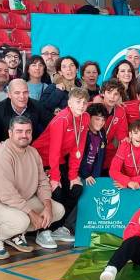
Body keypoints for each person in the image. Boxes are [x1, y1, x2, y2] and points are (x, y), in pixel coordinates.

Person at [0, 116, 66, 259]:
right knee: (22, 221)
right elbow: (7, 195)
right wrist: (32, 214)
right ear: (10, 133)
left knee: (58, 210)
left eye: (28, 131)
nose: (24, 135)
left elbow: (43, 182)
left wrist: (47, 205)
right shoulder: (2, 155)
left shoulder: (33, 152)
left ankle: (14, 233)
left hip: (21, 201)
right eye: (19, 131)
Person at [32, 88, 91, 246]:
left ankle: (60, 229)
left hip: (60, 160)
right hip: (41, 159)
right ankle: (43, 232)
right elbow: (54, 151)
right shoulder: (62, 119)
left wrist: (73, 176)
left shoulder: (85, 118)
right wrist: (55, 178)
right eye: (78, 102)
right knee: (55, 191)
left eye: (84, 103)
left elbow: (78, 148)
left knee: (75, 188)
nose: (81, 105)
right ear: (69, 102)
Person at [109, 120, 140, 189]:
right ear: (130, 134)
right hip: (124, 184)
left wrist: (130, 183)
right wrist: (128, 182)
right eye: (135, 133)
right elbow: (113, 170)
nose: (138, 137)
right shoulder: (124, 145)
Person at [97, 80, 129, 175]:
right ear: (103, 93)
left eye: (116, 94)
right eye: (109, 92)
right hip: (91, 151)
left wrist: (126, 140)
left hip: (107, 152)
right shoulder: (92, 108)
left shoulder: (120, 111)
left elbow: (122, 134)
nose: (112, 97)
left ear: (119, 97)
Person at [78, 103, 108, 187]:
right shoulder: (83, 132)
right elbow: (79, 156)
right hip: (79, 174)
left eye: (103, 120)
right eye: (97, 119)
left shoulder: (102, 133)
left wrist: (96, 177)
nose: (101, 123)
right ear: (89, 118)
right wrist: (85, 175)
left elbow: (100, 158)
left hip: (93, 176)